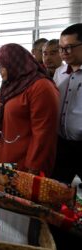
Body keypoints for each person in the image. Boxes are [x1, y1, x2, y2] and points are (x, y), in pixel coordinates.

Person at [0, 43, 59, 177]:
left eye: (2, 67)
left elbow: (44, 134)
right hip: (2, 161)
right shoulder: (9, 86)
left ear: (15, 64)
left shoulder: (41, 87)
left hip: (23, 167)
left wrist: (33, 168)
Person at [53, 23, 82, 183]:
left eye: (69, 47)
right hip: (62, 144)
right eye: (61, 48)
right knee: (56, 189)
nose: (63, 53)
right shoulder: (59, 73)